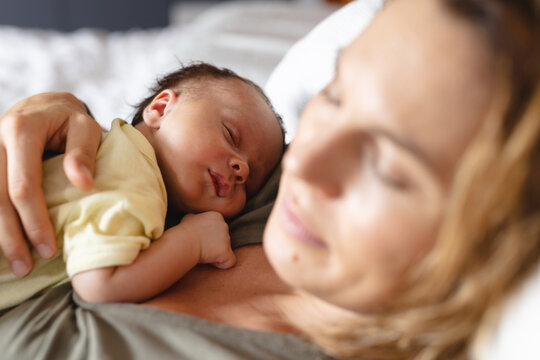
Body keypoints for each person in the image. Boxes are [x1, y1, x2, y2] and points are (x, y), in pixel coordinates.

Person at [0, 0, 538, 359]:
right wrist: (59, 121)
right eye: (334, 95)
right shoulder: (263, 177)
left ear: (487, 237)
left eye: (387, 168)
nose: (305, 160)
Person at [0, 62, 285, 309]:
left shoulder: (112, 150)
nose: (242, 169)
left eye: (249, 184)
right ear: (161, 109)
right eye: (230, 134)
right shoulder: (136, 176)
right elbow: (100, 284)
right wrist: (192, 243)